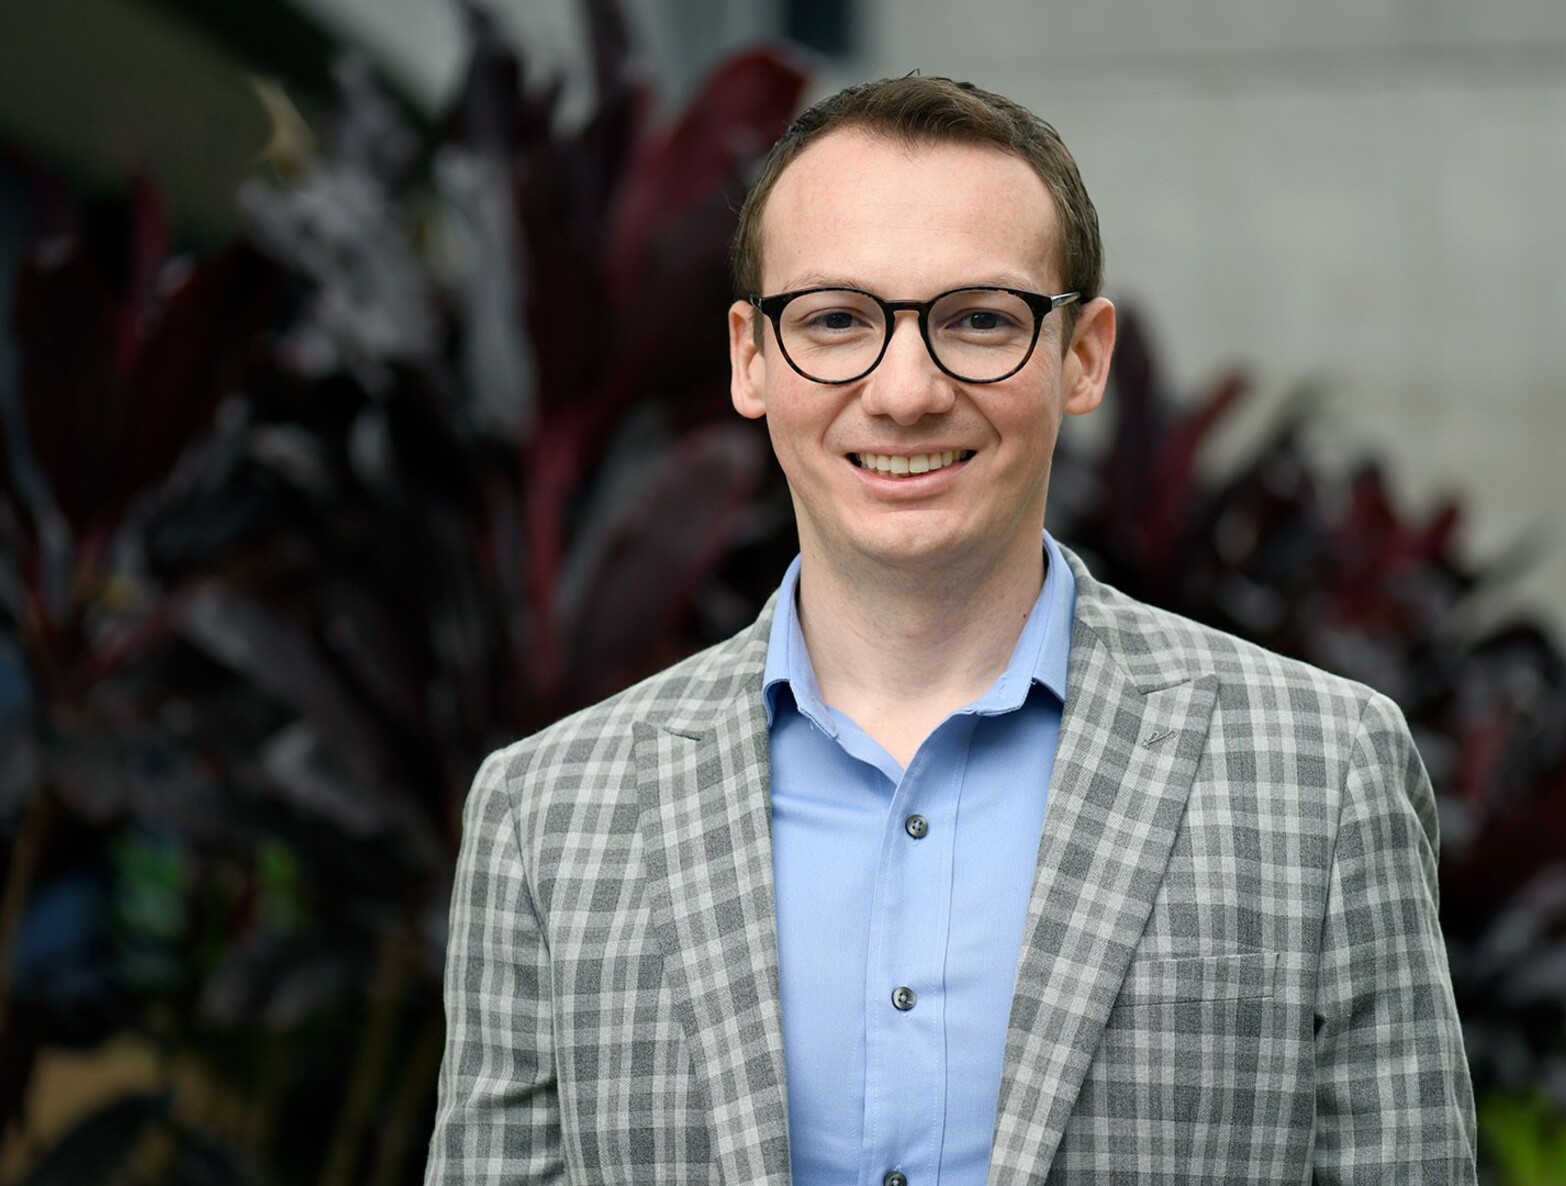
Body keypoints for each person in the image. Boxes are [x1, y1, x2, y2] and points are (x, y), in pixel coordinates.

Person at [424, 76, 1476, 1185]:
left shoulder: (1323, 772)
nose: (908, 390)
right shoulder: (545, 814)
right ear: (750, 357)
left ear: (1082, 355)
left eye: (979, 319)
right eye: (836, 320)